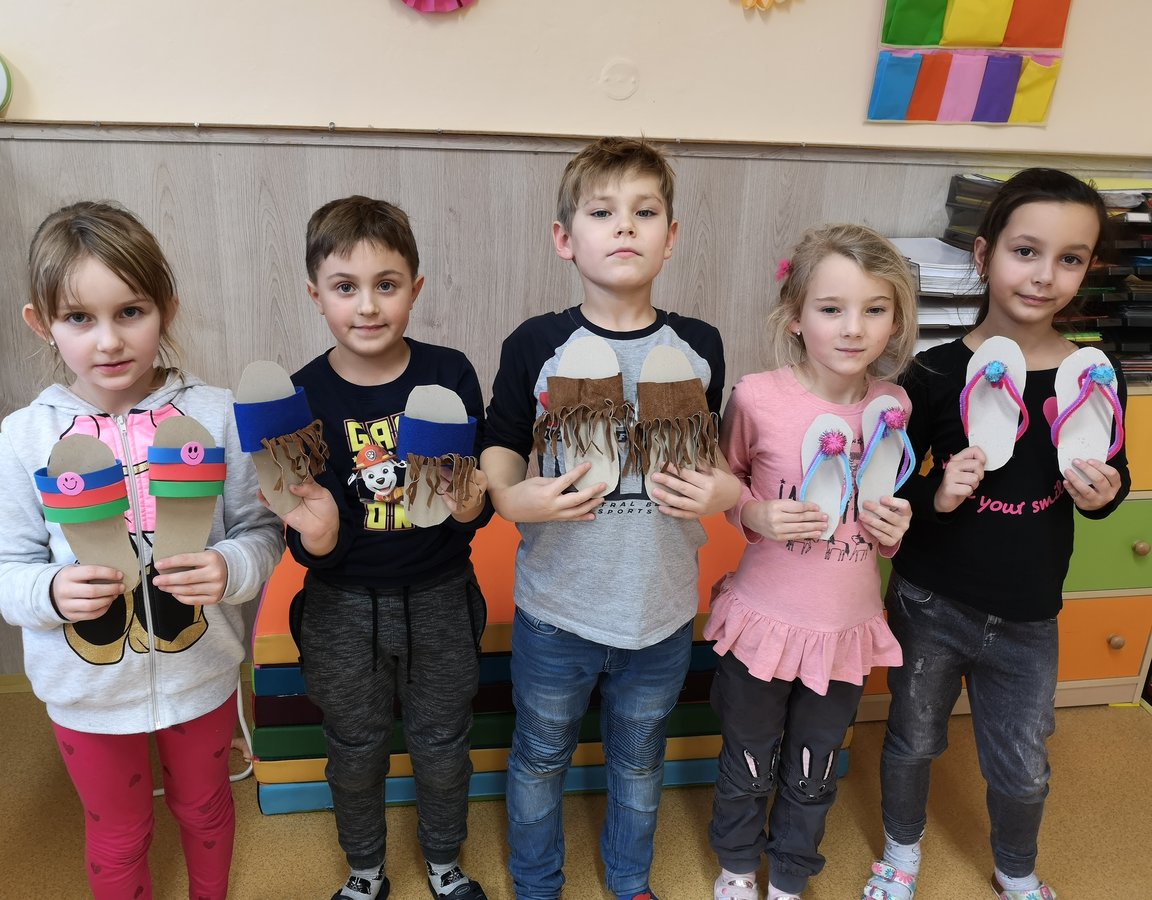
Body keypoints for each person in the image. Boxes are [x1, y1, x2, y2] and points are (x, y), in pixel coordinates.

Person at [0, 201, 284, 899]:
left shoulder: (219, 416)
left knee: (205, 809)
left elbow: (262, 533)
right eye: (79, 318)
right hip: (86, 691)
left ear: (167, 309)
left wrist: (230, 567)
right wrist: (48, 592)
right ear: (42, 323)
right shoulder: (24, 438)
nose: (108, 341)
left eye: (131, 312)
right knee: (117, 833)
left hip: (201, 673)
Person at [482, 136, 741, 900]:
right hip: (557, 609)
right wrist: (509, 497)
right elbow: (501, 442)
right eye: (602, 212)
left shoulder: (699, 345)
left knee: (638, 760)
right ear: (565, 238)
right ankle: (537, 884)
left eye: (644, 212)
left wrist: (724, 492)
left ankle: (629, 880)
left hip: (659, 610)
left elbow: (713, 459)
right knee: (540, 756)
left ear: (671, 236)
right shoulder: (536, 343)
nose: (625, 226)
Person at [863, 168, 1131, 900]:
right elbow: (889, 490)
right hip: (930, 600)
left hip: (1028, 612)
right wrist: (936, 492)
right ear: (984, 256)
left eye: (1070, 259)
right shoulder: (932, 373)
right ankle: (900, 853)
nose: (1044, 276)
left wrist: (1105, 495)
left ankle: (1015, 868)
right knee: (913, 740)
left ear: (1087, 269)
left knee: (1024, 764)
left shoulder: (1093, 375)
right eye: (1026, 251)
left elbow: (1113, 474)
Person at [278, 196, 491, 900]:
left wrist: (472, 507)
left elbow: (468, 510)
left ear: (415, 289)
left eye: (386, 284)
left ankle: (444, 862)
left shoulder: (450, 373)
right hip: (341, 607)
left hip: (440, 597)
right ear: (315, 294)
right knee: (354, 748)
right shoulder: (302, 394)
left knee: (443, 745)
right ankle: (365, 869)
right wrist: (316, 538)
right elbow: (308, 530)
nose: (367, 306)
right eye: (345, 287)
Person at [706, 225, 918, 900]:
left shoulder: (895, 405)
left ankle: (792, 875)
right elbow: (724, 483)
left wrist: (896, 531)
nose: (853, 328)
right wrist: (754, 515)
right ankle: (737, 866)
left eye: (874, 309)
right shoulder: (757, 397)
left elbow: (884, 512)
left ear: (896, 320)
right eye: (831, 308)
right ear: (795, 316)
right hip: (765, 622)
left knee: (815, 763)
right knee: (748, 756)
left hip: (843, 629)